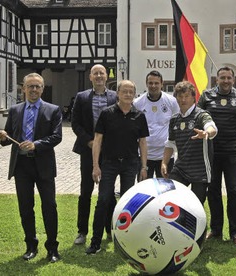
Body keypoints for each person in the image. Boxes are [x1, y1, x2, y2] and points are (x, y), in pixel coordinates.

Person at [0, 73, 62, 263]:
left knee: (49, 206)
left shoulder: (53, 110)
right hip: (22, 166)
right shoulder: (15, 110)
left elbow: (57, 137)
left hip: (44, 165)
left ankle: (52, 248)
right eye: (30, 86)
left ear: (42, 89)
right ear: (23, 88)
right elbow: (9, 138)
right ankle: (31, 246)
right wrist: (3, 137)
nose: (34, 90)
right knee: (26, 207)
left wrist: (36, 144)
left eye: (37, 86)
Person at [86, 80, 150, 254]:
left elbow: (143, 142)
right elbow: (98, 140)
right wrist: (95, 166)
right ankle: (95, 242)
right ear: (118, 94)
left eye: (131, 92)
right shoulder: (107, 114)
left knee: (127, 204)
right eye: (125, 91)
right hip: (109, 163)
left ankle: (124, 242)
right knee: (103, 200)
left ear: (134, 94)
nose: (128, 95)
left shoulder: (139, 115)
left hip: (130, 164)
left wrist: (144, 166)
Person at [198, 67, 236, 246]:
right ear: (217, 80)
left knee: (235, 191)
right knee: (213, 191)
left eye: (229, 78)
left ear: (233, 80)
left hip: (234, 152)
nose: (226, 81)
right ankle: (216, 229)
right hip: (211, 153)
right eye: (222, 78)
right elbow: (198, 121)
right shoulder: (206, 96)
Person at [71, 64, 118, 245]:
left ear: (107, 76)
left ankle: (109, 229)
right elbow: (75, 123)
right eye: (95, 73)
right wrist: (89, 142)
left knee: (107, 193)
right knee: (86, 192)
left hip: (109, 152)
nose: (99, 76)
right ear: (90, 77)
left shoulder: (114, 97)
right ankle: (82, 231)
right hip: (88, 150)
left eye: (102, 73)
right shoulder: (82, 97)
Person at [161, 81, 217, 203]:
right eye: (180, 96)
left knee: (195, 205)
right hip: (180, 167)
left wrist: (207, 133)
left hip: (200, 169)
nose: (183, 99)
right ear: (176, 98)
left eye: (186, 96)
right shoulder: (174, 119)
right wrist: (164, 163)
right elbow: (170, 143)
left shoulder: (201, 115)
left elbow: (212, 127)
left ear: (193, 97)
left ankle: (199, 223)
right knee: (170, 197)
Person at [133, 70, 179, 178]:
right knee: (145, 191)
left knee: (165, 191)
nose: (153, 86)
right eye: (150, 83)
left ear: (162, 84)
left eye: (156, 83)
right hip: (144, 156)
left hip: (165, 156)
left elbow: (176, 125)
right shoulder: (137, 103)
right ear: (146, 84)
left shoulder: (172, 102)